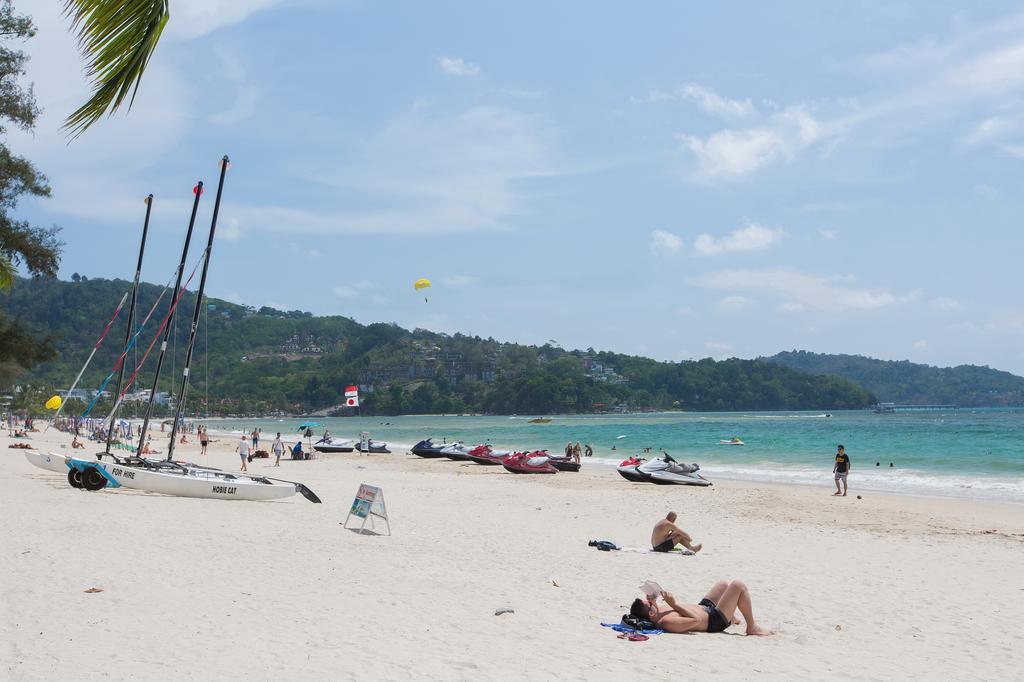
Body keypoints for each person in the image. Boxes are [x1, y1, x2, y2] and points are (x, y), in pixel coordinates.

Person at [629, 580, 772, 636]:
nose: (652, 600)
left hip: (705, 608)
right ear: (650, 613)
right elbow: (695, 620)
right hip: (714, 620)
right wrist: (674, 604)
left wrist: (656, 598)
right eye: (649, 603)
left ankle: (732, 617)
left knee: (722, 584)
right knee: (738, 586)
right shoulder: (666, 622)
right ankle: (751, 627)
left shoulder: (657, 610)